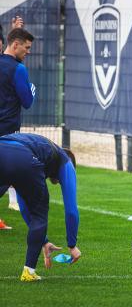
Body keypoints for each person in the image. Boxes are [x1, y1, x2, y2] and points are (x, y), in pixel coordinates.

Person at [0, 133, 81, 281]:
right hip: (22, 156)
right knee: (40, 213)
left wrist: (43, 241)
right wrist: (72, 245)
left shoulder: (43, 152)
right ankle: (28, 272)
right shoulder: (65, 160)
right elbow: (71, 211)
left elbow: (24, 208)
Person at [0, 16, 27, 229]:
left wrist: (15, 32)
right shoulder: (17, 69)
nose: (28, 52)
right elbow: (27, 101)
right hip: (7, 129)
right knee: (9, 172)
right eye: (25, 47)